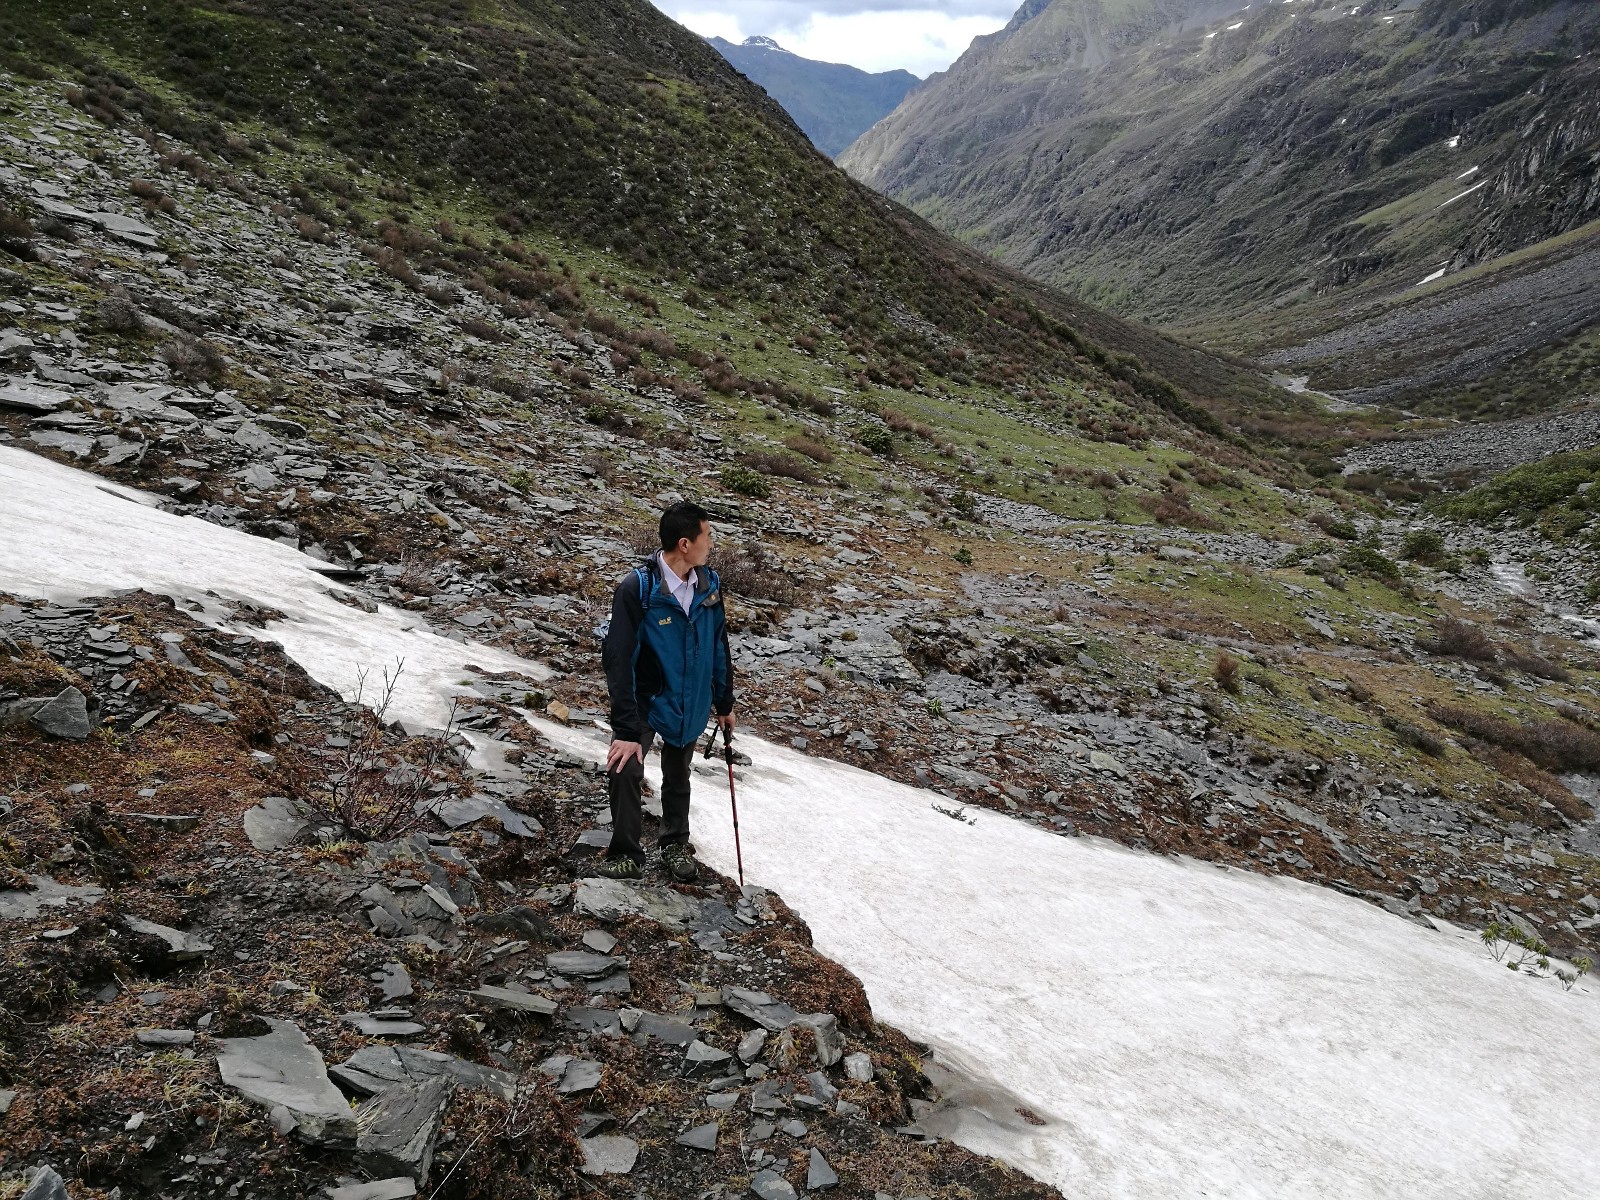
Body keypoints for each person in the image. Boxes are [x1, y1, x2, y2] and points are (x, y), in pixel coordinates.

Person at [597, 500, 735, 881]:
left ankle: (675, 844)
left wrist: (724, 701)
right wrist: (626, 730)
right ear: (685, 544)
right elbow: (618, 659)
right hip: (645, 696)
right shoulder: (637, 589)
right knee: (625, 767)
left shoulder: (709, 584)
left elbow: (718, 644)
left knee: (679, 773)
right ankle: (626, 852)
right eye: (707, 536)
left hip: (689, 697)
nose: (712, 544)